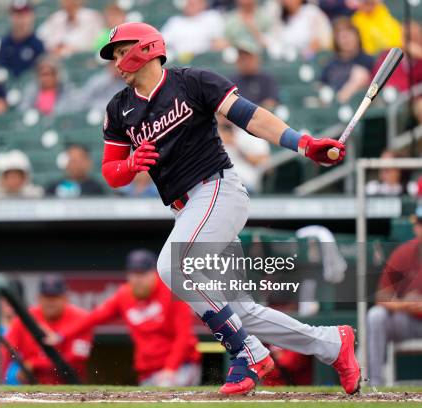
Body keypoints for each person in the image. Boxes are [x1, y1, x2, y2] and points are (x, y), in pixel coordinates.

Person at [98, 22, 358, 395]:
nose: (118, 62)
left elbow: (251, 117)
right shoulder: (119, 108)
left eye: (123, 52)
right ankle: (333, 343)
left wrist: (303, 143)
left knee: (173, 265)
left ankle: (248, 352)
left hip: (217, 190)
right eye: (116, 55)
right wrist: (131, 164)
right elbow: (111, 172)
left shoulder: (192, 82)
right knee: (243, 311)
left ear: (146, 49)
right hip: (186, 209)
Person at [46, 250, 201, 386]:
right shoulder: (124, 295)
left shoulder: (172, 290)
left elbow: (184, 336)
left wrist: (170, 368)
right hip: (148, 372)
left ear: (154, 273)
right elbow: (93, 318)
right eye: (134, 274)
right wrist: (61, 334)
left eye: (143, 274)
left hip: (182, 367)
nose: (138, 279)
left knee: (167, 390)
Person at [367, 205, 422, 386]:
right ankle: (375, 384)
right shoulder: (404, 252)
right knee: (376, 315)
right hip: (409, 320)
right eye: (420, 223)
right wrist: (405, 304)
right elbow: (382, 296)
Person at [1, 275, 92, 384]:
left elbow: (76, 360)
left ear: (65, 298)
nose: (50, 302)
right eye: (46, 296)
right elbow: (4, 352)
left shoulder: (81, 318)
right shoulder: (25, 319)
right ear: (38, 298)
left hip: (70, 388)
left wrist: (34, 364)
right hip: (33, 388)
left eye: (55, 297)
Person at [320, 18, 375, 104]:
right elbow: (321, 84)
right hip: (330, 102)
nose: (346, 40)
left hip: (357, 102)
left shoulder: (366, 60)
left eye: (349, 35)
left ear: (357, 36)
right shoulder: (331, 63)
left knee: (360, 74)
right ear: (336, 40)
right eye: (342, 37)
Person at [0, 0, 44, 79]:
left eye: (24, 14)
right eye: (17, 14)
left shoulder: (38, 45)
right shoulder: (4, 43)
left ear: (31, 16)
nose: (20, 19)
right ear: (10, 17)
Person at [218, 117, 269, 193]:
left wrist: (235, 146)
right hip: (218, 184)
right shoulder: (212, 134)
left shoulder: (251, 135)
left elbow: (265, 163)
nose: (223, 118)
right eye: (220, 114)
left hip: (245, 184)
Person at [161, 0, 226, 59]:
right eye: (189, 3)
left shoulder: (211, 17)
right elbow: (161, 43)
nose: (191, 4)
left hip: (205, 61)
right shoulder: (174, 21)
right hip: (179, 63)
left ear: (203, 4)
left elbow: (220, 43)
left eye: (194, 3)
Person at [37, 0, 104, 57]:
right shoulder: (56, 17)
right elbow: (41, 36)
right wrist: (54, 47)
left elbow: (95, 42)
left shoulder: (92, 17)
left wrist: (70, 47)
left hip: (81, 57)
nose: (69, 2)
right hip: (57, 57)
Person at [230, 41, 279, 110]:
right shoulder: (232, 80)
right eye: (242, 58)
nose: (245, 62)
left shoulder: (266, 79)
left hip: (261, 118)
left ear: (257, 59)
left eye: (248, 58)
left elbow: (271, 103)